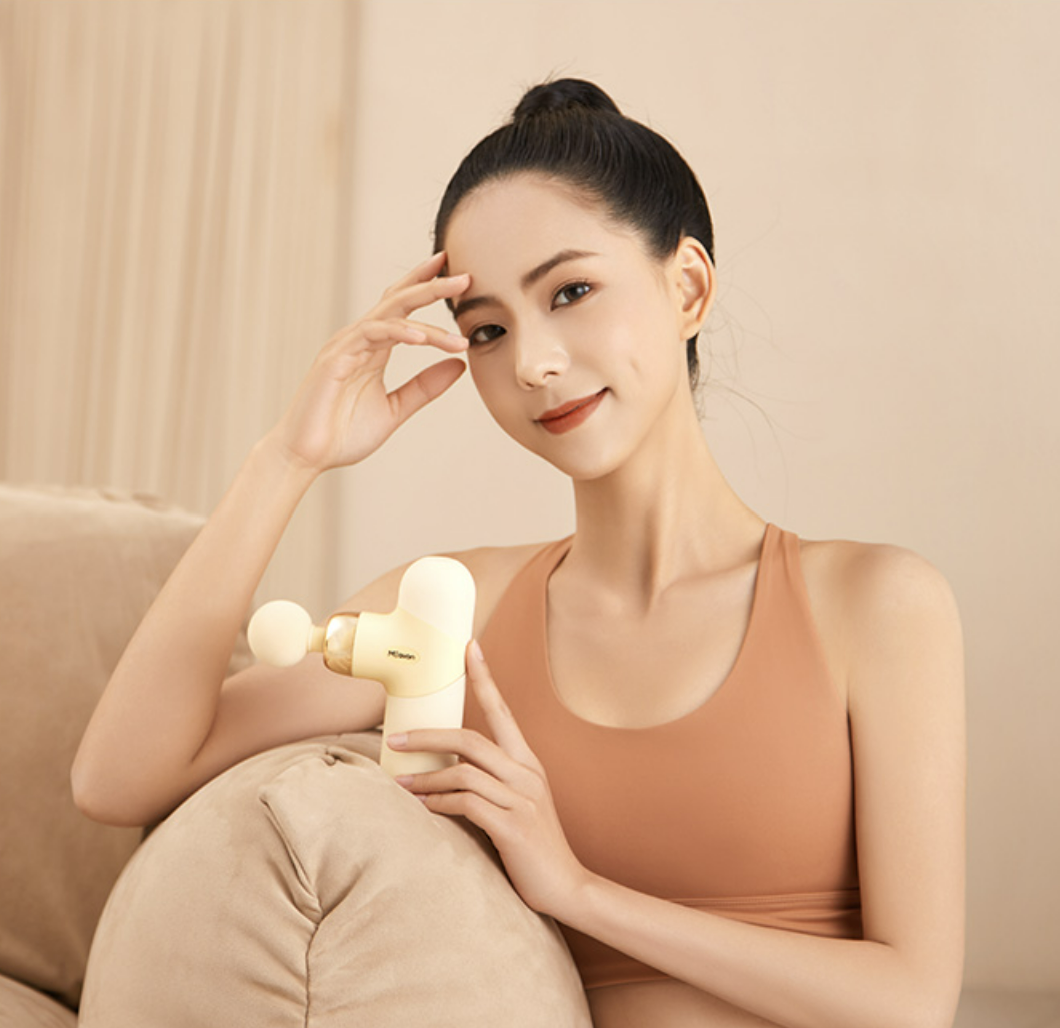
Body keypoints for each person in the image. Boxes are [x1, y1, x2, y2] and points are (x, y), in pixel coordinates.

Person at [72, 79, 966, 1027]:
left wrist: (578, 893)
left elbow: (909, 1002)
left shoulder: (876, 603)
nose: (533, 363)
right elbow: (119, 777)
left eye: (571, 292)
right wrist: (288, 459)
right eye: (488, 331)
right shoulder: (451, 611)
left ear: (688, 287)